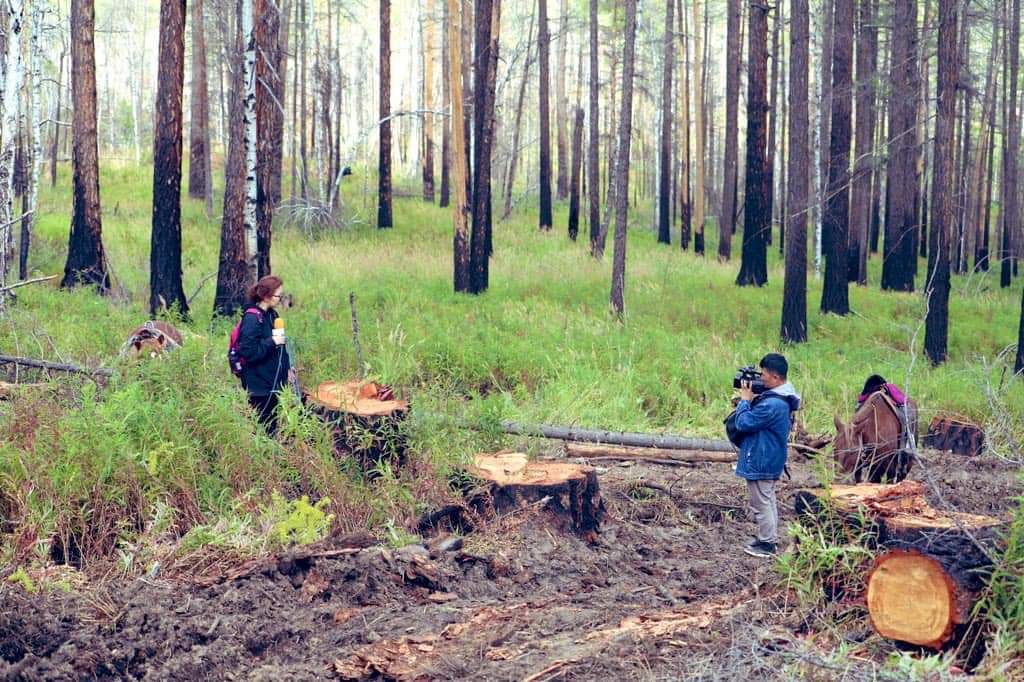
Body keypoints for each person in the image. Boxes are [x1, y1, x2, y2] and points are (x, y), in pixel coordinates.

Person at [733, 353, 801, 558]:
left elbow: (743, 423)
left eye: (763, 375)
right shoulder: (781, 399)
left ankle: (767, 544)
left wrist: (744, 401)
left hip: (762, 459)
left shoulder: (773, 404)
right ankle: (768, 538)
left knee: (760, 502)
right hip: (769, 457)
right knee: (767, 499)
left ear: (775, 377)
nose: (760, 379)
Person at [238, 275, 292, 435]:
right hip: (259, 387)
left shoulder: (272, 315)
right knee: (262, 428)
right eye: (277, 295)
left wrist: (288, 368)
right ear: (265, 295)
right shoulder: (252, 319)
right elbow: (249, 352)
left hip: (273, 383)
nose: (280, 299)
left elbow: (280, 347)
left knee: (273, 426)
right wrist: (272, 341)